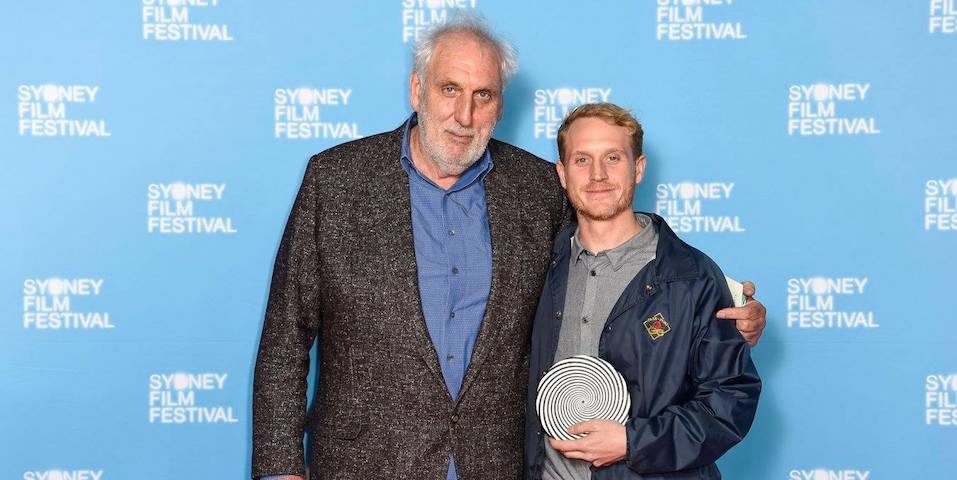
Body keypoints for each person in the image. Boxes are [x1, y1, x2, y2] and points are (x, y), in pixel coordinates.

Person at [252, 16, 767, 480]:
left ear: (500, 105)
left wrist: (731, 311)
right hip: (364, 464)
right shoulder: (337, 180)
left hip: (497, 464)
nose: (463, 114)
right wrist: (279, 469)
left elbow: (620, 248)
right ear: (417, 89)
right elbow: (284, 336)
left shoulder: (538, 187)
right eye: (449, 88)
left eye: (483, 94)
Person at [524, 103, 761, 480]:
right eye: (582, 160)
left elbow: (729, 401)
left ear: (638, 169)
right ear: (562, 174)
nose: (597, 174)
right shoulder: (537, 265)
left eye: (613, 158)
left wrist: (635, 441)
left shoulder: (691, 276)